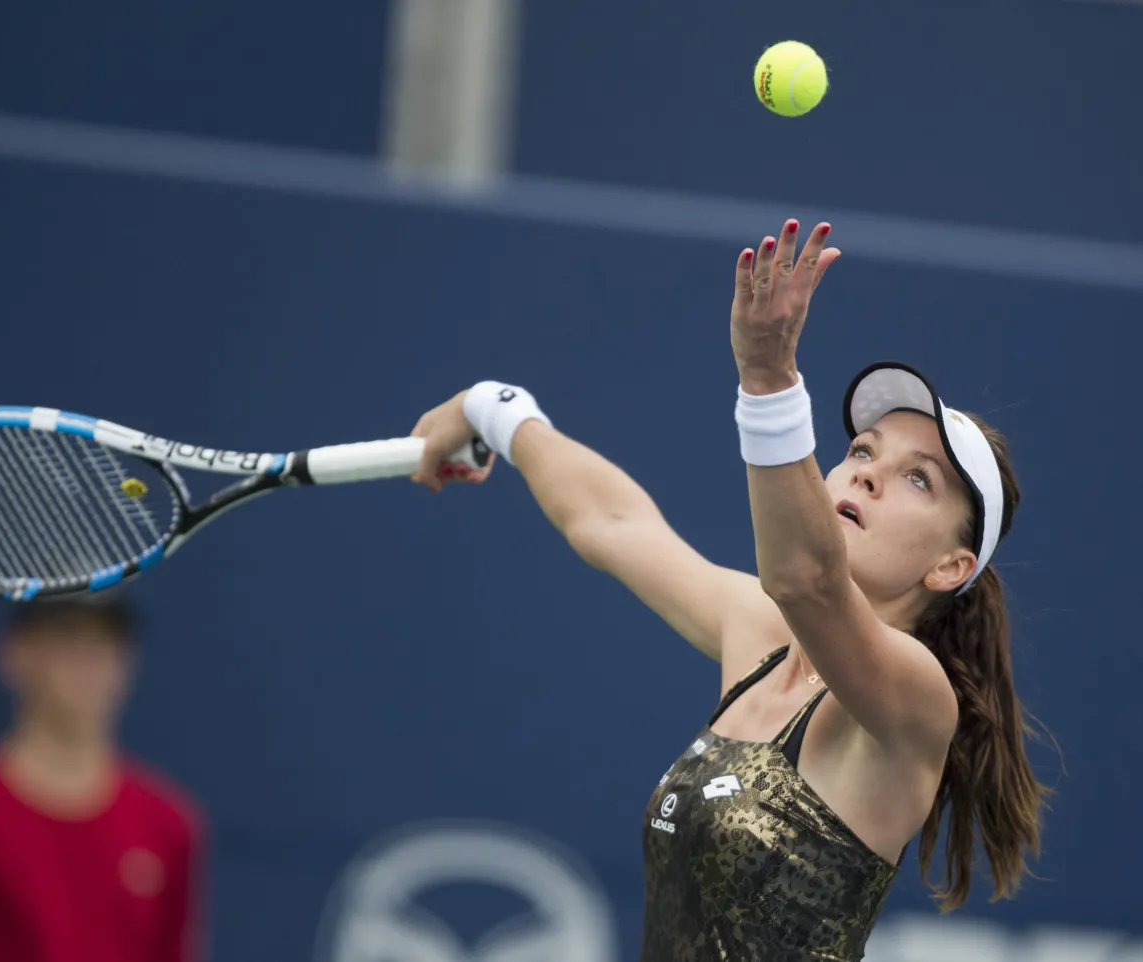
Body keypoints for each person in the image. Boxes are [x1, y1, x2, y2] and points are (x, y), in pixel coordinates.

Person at [407, 219, 1049, 960]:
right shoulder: (761, 634)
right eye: (863, 450)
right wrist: (495, 409)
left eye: (917, 478)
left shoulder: (916, 696)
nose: (866, 470)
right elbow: (610, 523)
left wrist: (769, 376)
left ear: (949, 567)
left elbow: (806, 580)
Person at [0, 595, 204, 962]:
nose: (90, 661)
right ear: (15, 654)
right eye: (68, 638)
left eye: (108, 641)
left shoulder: (168, 825)